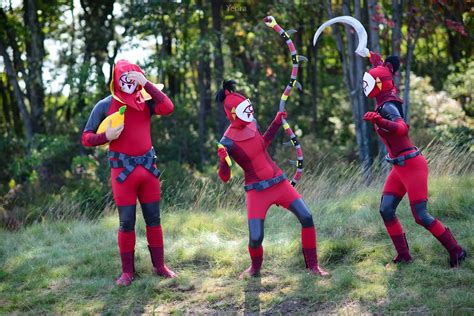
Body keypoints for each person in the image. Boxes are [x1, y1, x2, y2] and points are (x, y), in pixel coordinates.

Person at [362, 52, 467, 267]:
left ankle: (456, 250)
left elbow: (402, 129)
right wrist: (374, 57)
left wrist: (381, 120)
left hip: (412, 165)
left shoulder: (389, 106)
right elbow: (385, 70)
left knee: (420, 215)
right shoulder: (385, 94)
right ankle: (404, 255)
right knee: (386, 210)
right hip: (398, 168)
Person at [216, 80, 328, 278]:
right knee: (256, 239)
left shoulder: (252, 123)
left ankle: (313, 267)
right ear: (233, 112)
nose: (249, 110)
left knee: (307, 217)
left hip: (278, 182)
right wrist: (223, 161)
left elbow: (262, 143)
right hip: (256, 191)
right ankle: (255, 269)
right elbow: (224, 177)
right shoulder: (226, 141)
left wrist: (276, 123)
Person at [82, 59, 176, 286]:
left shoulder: (146, 101)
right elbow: (86, 138)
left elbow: (168, 107)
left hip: (148, 171)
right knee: (126, 223)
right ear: (116, 79)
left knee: (154, 219)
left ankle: (160, 266)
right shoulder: (104, 105)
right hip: (123, 174)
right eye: (125, 79)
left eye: (134, 79)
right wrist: (107, 137)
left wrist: (146, 84)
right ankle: (127, 272)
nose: (129, 83)